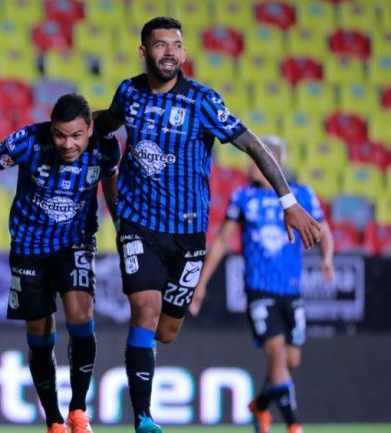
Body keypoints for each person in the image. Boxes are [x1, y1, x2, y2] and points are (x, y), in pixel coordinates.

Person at [93, 16, 323, 433]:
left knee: (167, 331)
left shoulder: (201, 101)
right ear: (144, 52)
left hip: (187, 234)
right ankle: (144, 418)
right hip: (138, 225)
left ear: (184, 52)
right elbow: (111, 118)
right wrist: (82, 126)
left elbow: (252, 145)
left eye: (176, 45)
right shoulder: (128, 92)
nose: (169, 52)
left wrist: (287, 201)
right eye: (160, 45)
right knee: (143, 310)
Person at [0, 94, 120, 433]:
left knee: (81, 314)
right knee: (39, 331)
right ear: (51, 130)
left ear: (90, 128)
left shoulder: (106, 148)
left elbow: (110, 181)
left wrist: (120, 222)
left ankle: (78, 411)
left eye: (76, 135)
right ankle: (53, 420)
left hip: (75, 242)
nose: (67, 144)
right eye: (60, 135)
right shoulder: (29, 141)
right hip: (29, 247)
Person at [190, 136, 334, 433]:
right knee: (278, 355)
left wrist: (327, 258)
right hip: (259, 290)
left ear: (274, 162)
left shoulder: (303, 196)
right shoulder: (243, 197)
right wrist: (201, 284)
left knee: (291, 361)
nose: (249, 164)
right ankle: (294, 425)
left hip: (292, 291)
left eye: (256, 160)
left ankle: (260, 405)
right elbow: (221, 241)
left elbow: (325, 231)